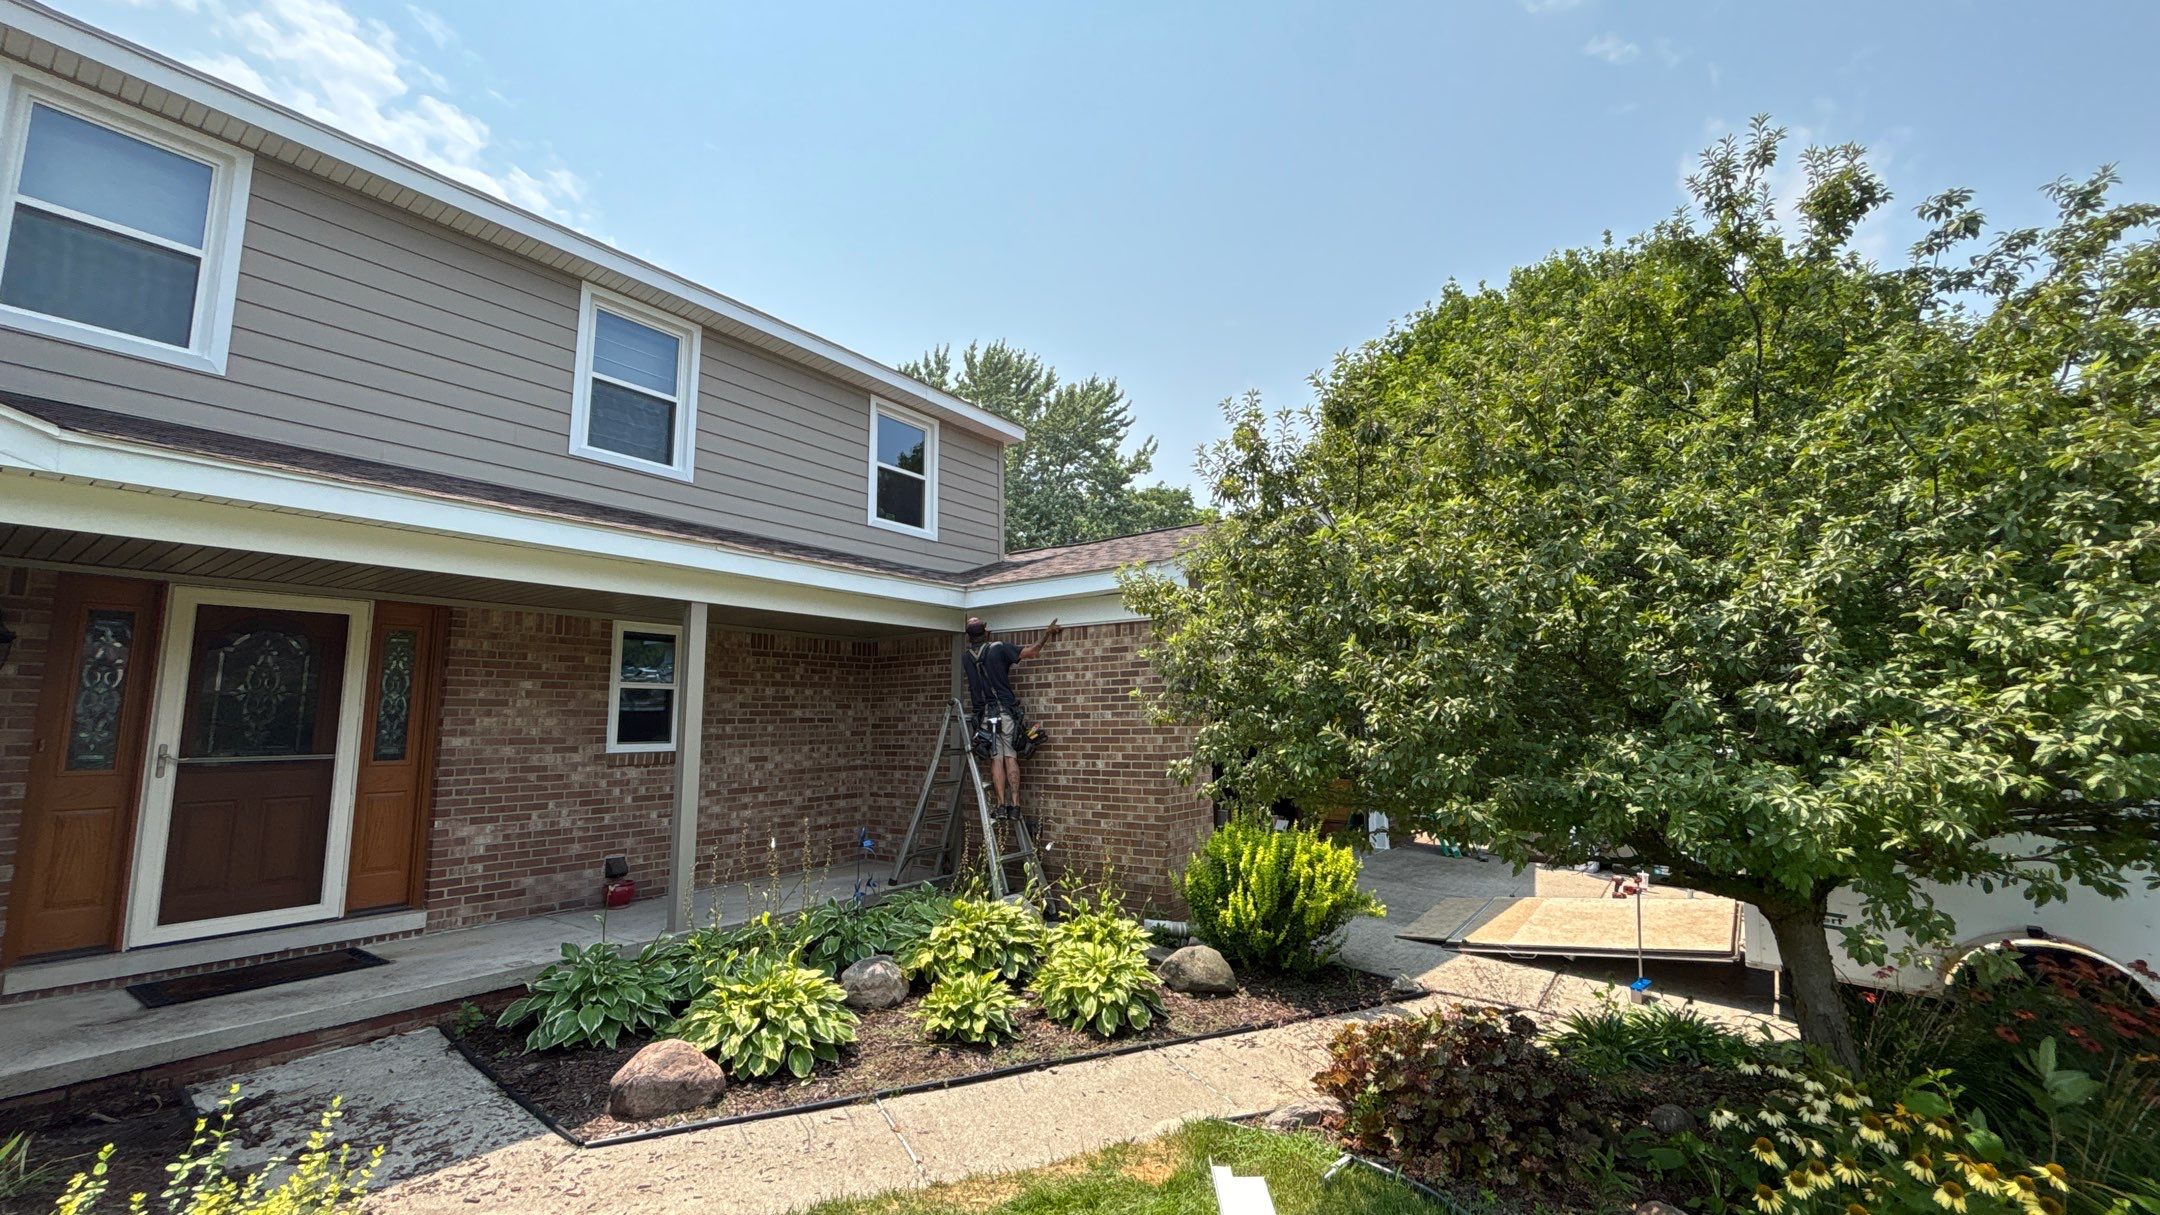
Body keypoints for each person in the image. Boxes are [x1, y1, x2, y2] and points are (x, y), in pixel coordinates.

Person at [961, 615, 1060, 818]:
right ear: (986, 632)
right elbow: (1032, 651)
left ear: (968, 637)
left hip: (986, 717)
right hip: (1005, 711)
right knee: (1010, 756)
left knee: (996, 759)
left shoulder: (966, 657)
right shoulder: (998, 648)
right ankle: (1015, 805)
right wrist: (1046, 634)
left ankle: (1000, 806)